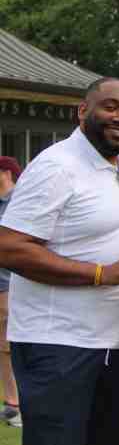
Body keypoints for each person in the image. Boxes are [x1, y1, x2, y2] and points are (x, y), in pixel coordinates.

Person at [0, 77, 119, 445]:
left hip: (108, 342)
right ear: (83, 112)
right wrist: (101, 273)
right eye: (111, 107)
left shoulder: (118, 165)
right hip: (58, 343)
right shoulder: (57, 165)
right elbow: (9, 248)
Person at [0, 156, 22, 428]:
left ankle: (18, 404)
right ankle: (12, 402)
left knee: (10, 346)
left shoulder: (18, 203)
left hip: (10, 285)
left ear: (6, 173)